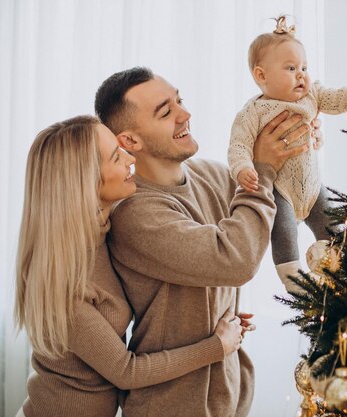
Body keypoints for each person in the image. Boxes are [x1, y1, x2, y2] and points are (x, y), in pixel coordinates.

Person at [94, 67, 309, 417]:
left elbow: (281, 206)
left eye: (180, 100)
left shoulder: (211, 174)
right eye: (166, 112)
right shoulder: (135, 213)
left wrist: (303, 141)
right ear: (131, 141)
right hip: (173, 406)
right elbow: (236, 260)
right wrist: (262, 169)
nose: (185, 114)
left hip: (230, 394)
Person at [14, 115, 247, 417]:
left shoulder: (106, 232)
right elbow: (127, 371)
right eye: (116, 156)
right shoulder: (61, 280)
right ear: (86, 181)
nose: (129, 158)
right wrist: (217, 345)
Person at [228, 16, 347, 291]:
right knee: (283, 233)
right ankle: (294, 280)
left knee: (333, 226)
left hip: (314, 189)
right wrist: (242, 168)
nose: (301, 74)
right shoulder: (254, 112)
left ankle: (346, 267)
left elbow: (336, 98)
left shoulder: (311, 95)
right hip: (281, 190)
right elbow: (239, 145)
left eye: (304, 67)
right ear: (261, 75)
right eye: (291, 68)